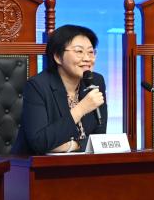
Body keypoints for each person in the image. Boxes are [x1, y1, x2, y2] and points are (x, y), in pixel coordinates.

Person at [12, 24, 107, 154]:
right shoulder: (37, 86)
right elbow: (39, 142)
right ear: (57, 57)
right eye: (79, 51)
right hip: (35, 164)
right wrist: (81, 109)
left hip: (82, 162)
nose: (87, 58)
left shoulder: (96, 81)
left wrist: (73, 146)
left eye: (91, 52)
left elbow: (99, 139)